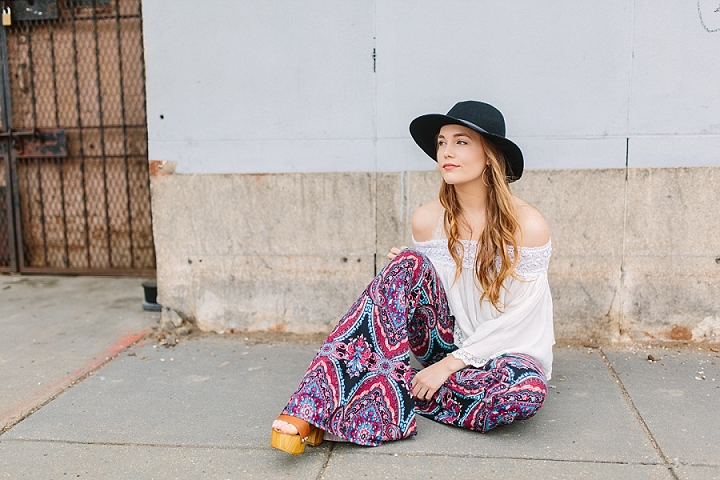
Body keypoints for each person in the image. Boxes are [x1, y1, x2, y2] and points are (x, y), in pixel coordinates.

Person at [270, 100, 554, 455]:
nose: (446, 152)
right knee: (404, 262)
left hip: (505, 354)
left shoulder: (527, 226)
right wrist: (412, 268)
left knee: (522, 395)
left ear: (490, 154)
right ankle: (311, 404)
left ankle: (381, 396)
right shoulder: (428, 219)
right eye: (441, 142)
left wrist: (449, 367)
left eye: (461, 142)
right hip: (444, 342)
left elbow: (521, 320)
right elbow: (442, 299)